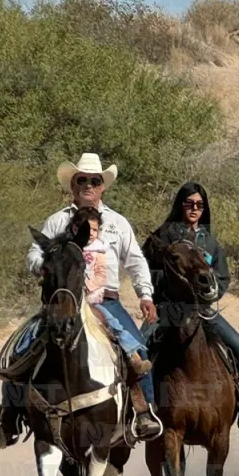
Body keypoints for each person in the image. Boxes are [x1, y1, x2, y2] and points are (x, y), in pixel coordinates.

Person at [17, 153, 163, 443]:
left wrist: (145, 294)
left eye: (94, 181)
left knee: (137, 350)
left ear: (102, 186)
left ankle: (143, 411)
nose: (87, 185)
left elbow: (135, 260)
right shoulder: (57, 220)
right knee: (24, 346)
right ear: (72, 184)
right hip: (63, 300)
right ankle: (10, 412)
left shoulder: (117, 223)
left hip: (105, 300)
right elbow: (34, 252)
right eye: (81, 180)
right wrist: (42, 266)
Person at [142, 182, 239, 437]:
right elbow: (144, 270)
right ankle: (138, 408)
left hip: (203, 310)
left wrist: (214, 291)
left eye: (199, 205)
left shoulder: (210, 241)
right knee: (140, 347)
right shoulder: (163, 236)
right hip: (168, 309)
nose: (194, 209)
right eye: (189, 204)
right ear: (180, 205)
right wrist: (163, 287)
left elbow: (222, 276)